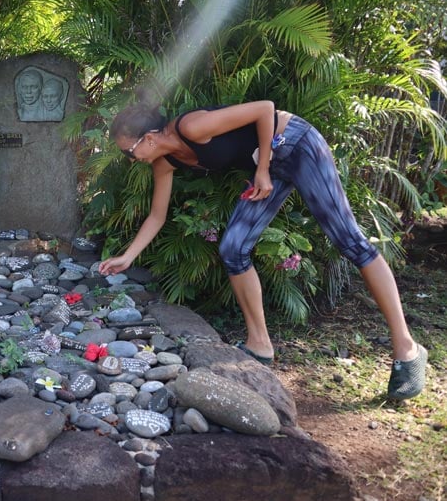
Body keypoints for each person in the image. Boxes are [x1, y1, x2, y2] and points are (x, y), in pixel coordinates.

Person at [98, 101, 428, 399]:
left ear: (150, 137)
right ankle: (259, 344)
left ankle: (406, 347)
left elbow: (264, 109)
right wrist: (128, 256)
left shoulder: (191, 127)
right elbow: (157, 215)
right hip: (269, 164)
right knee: (233, 247)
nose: (131, 160)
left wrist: (262, 169)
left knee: (349, 241)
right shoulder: (164, 161)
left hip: (296, 144)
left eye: (130, 152)